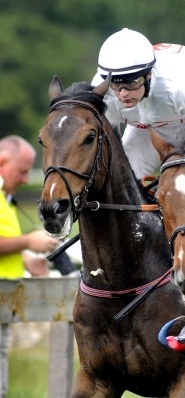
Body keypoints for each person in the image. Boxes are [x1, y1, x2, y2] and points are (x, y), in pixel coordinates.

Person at [92, 28, 185, 179]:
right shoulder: (103, 92)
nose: (123, 93)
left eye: (132, 83)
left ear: (149, 75)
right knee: (123, 180)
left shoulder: (181, 90)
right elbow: (109, 144)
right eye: (116, 85)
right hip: (146, 126)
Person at [0, 136, 63, 398]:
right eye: (23, 171)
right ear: (2, 161)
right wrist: (29, 240)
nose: (26, 179)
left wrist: (25, 260)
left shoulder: (5, 196)